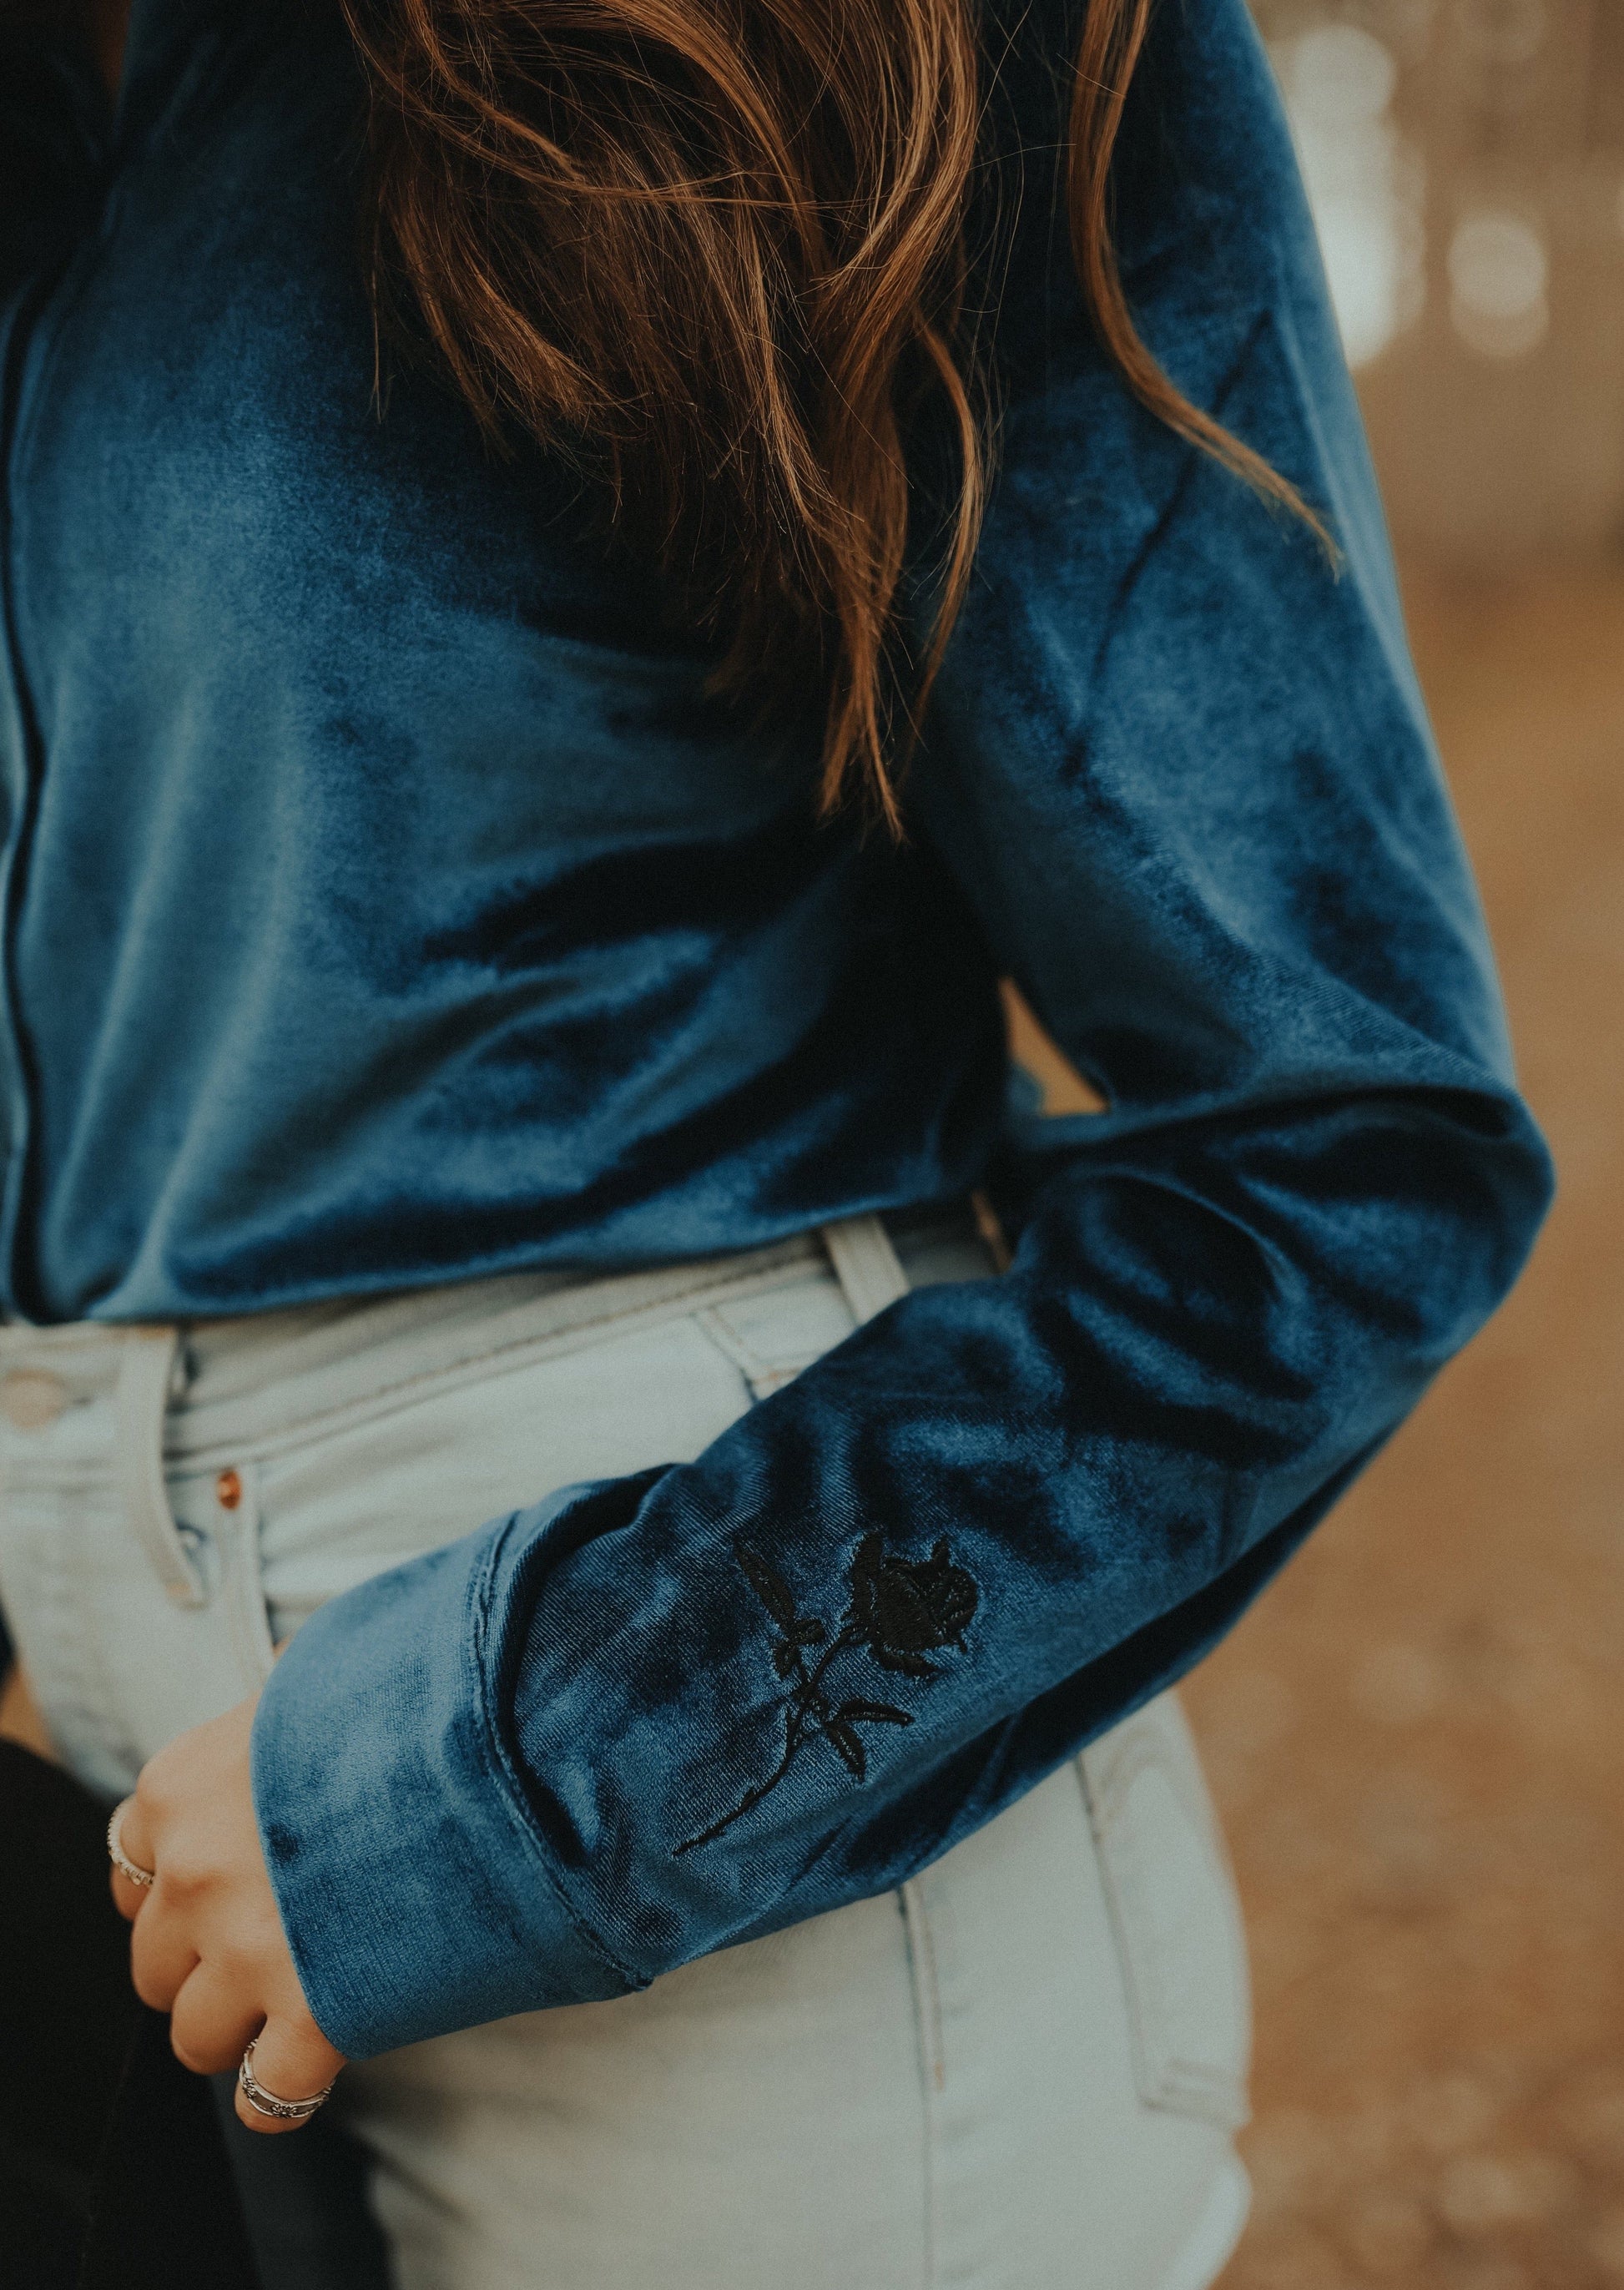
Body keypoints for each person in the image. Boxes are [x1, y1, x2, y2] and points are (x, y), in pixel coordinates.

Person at [0, 0, 1551, 2283]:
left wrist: (510, 1776)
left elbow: (1346, 1157)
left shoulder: (936, 43)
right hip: (117, 1842)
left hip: (695, 1872)